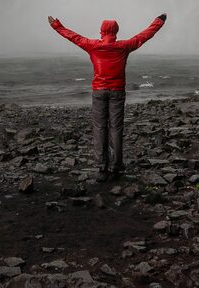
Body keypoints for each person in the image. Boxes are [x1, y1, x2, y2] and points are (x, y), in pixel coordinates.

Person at [47, 13, 167, 181]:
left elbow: (73, 37)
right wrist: (159, 21)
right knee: (116, 128)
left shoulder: (92, 45)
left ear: (101, 32)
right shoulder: (124, 46)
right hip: (117, 91)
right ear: (116, 32)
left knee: (99, 128)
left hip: (99, 91)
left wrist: (56, 25)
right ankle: (116, 165)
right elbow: (145, 35)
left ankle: (102, 165)